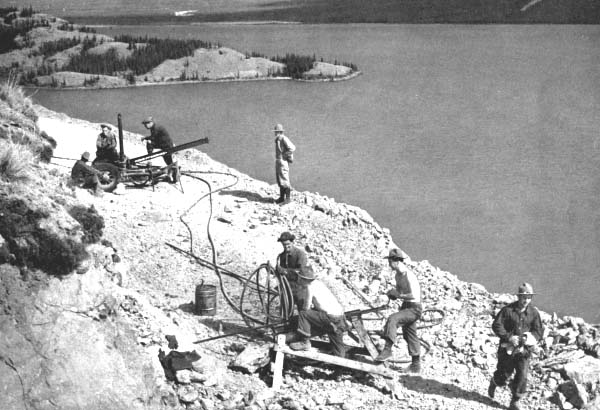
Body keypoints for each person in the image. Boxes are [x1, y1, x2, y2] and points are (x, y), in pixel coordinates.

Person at [488, 283, 543, 410]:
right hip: (507, 349)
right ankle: (495, 382)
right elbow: (496, 325)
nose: (526, 300)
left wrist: (528, 338)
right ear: (518, 296)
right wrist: (508, 337)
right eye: (524, 297)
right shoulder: (507, 310)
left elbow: (538, 331)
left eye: (529, 297)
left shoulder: (534, 313)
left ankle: (515, 401)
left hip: (524, 350)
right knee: (504, 375)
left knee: (522, 375)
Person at [375, 248, 422, 374]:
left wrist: (399, 295)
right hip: (406, 306)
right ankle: (416, 365)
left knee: (393, 319)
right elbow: (400, 292)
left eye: (390, 261)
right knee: (410, 334)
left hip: (414, 308)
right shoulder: (398, 275)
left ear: (396, 261)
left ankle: (387, 349)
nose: (389, 264)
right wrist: (393, 294)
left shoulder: (409, 275)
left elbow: (413, 295)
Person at [288, 266, 347, 357]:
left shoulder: (309, 287)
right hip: (340, 317)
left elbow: (306, 308)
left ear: (303, 279)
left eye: (299, 277)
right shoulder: (319, 283)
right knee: (336, 341)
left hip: (329, 317)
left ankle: (305, 342)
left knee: (303, 314)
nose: (298, 279)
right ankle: (341, 359)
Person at [273, 123, 295, 205]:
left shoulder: (284, 138)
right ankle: (282, 198)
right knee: (280, 180)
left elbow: (292, 148)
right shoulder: (278, 139)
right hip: (279, 161)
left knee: (285, 180)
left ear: (279, 131)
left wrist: (285, 155)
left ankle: (288, 199)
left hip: (283, 161)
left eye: (276, 131)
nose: (275, 133)